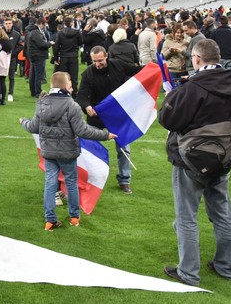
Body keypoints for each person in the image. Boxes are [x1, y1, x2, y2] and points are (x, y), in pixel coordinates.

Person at [158, 39, 231, 286]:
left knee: (186, 216)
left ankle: (189, 273)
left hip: (190, 159)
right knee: (222, 213)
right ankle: (227, 267)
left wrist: (172, 97)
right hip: (223, 156)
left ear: (196, 59)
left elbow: (169, 120)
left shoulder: (192, 87)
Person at [20, 72, 116, 230]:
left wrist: (23, 121)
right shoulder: (72, 106)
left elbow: (33, 127)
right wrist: (105, 135)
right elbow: (83, 131)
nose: (72, 89)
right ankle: (74, 218)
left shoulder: (41, 103)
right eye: (70, 86)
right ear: (65, 86)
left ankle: (50, 220)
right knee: (71, 183)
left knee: (50, 184)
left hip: (49, 152)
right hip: (68, 153)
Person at [77, 45, 142, 193]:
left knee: (124, 149)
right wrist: (87, 107)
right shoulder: (88, 73)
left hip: (118, 116)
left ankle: (125, 180)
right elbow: (81, 96)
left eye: (100, 60)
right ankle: (89, 178)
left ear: (106, 56)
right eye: (94, 61)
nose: (97, 64)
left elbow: (138, 71)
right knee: (89, 148)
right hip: (96, 117)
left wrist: (155, 67)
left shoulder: (118, 65)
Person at [52, 17, 83, 97]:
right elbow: (80, 42)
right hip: (73, 56)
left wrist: (56, 58)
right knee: (74, 76)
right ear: (72, 23)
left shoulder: (60, 33)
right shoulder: (77, 32)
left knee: (63, 76)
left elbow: (56, 46)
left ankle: (63, 92)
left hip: (63, 56)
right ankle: (74, 93)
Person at [26, 17, 53, 98]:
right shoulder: (36, 32)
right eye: (44, 24)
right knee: (38, 75)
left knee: (33, 74)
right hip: (38, 55)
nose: (44, 26)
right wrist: (50, 43)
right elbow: (41, 44)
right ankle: (38, 92)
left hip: (34, 55)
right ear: (41, 23)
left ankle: (34, 91)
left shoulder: (33, 31)